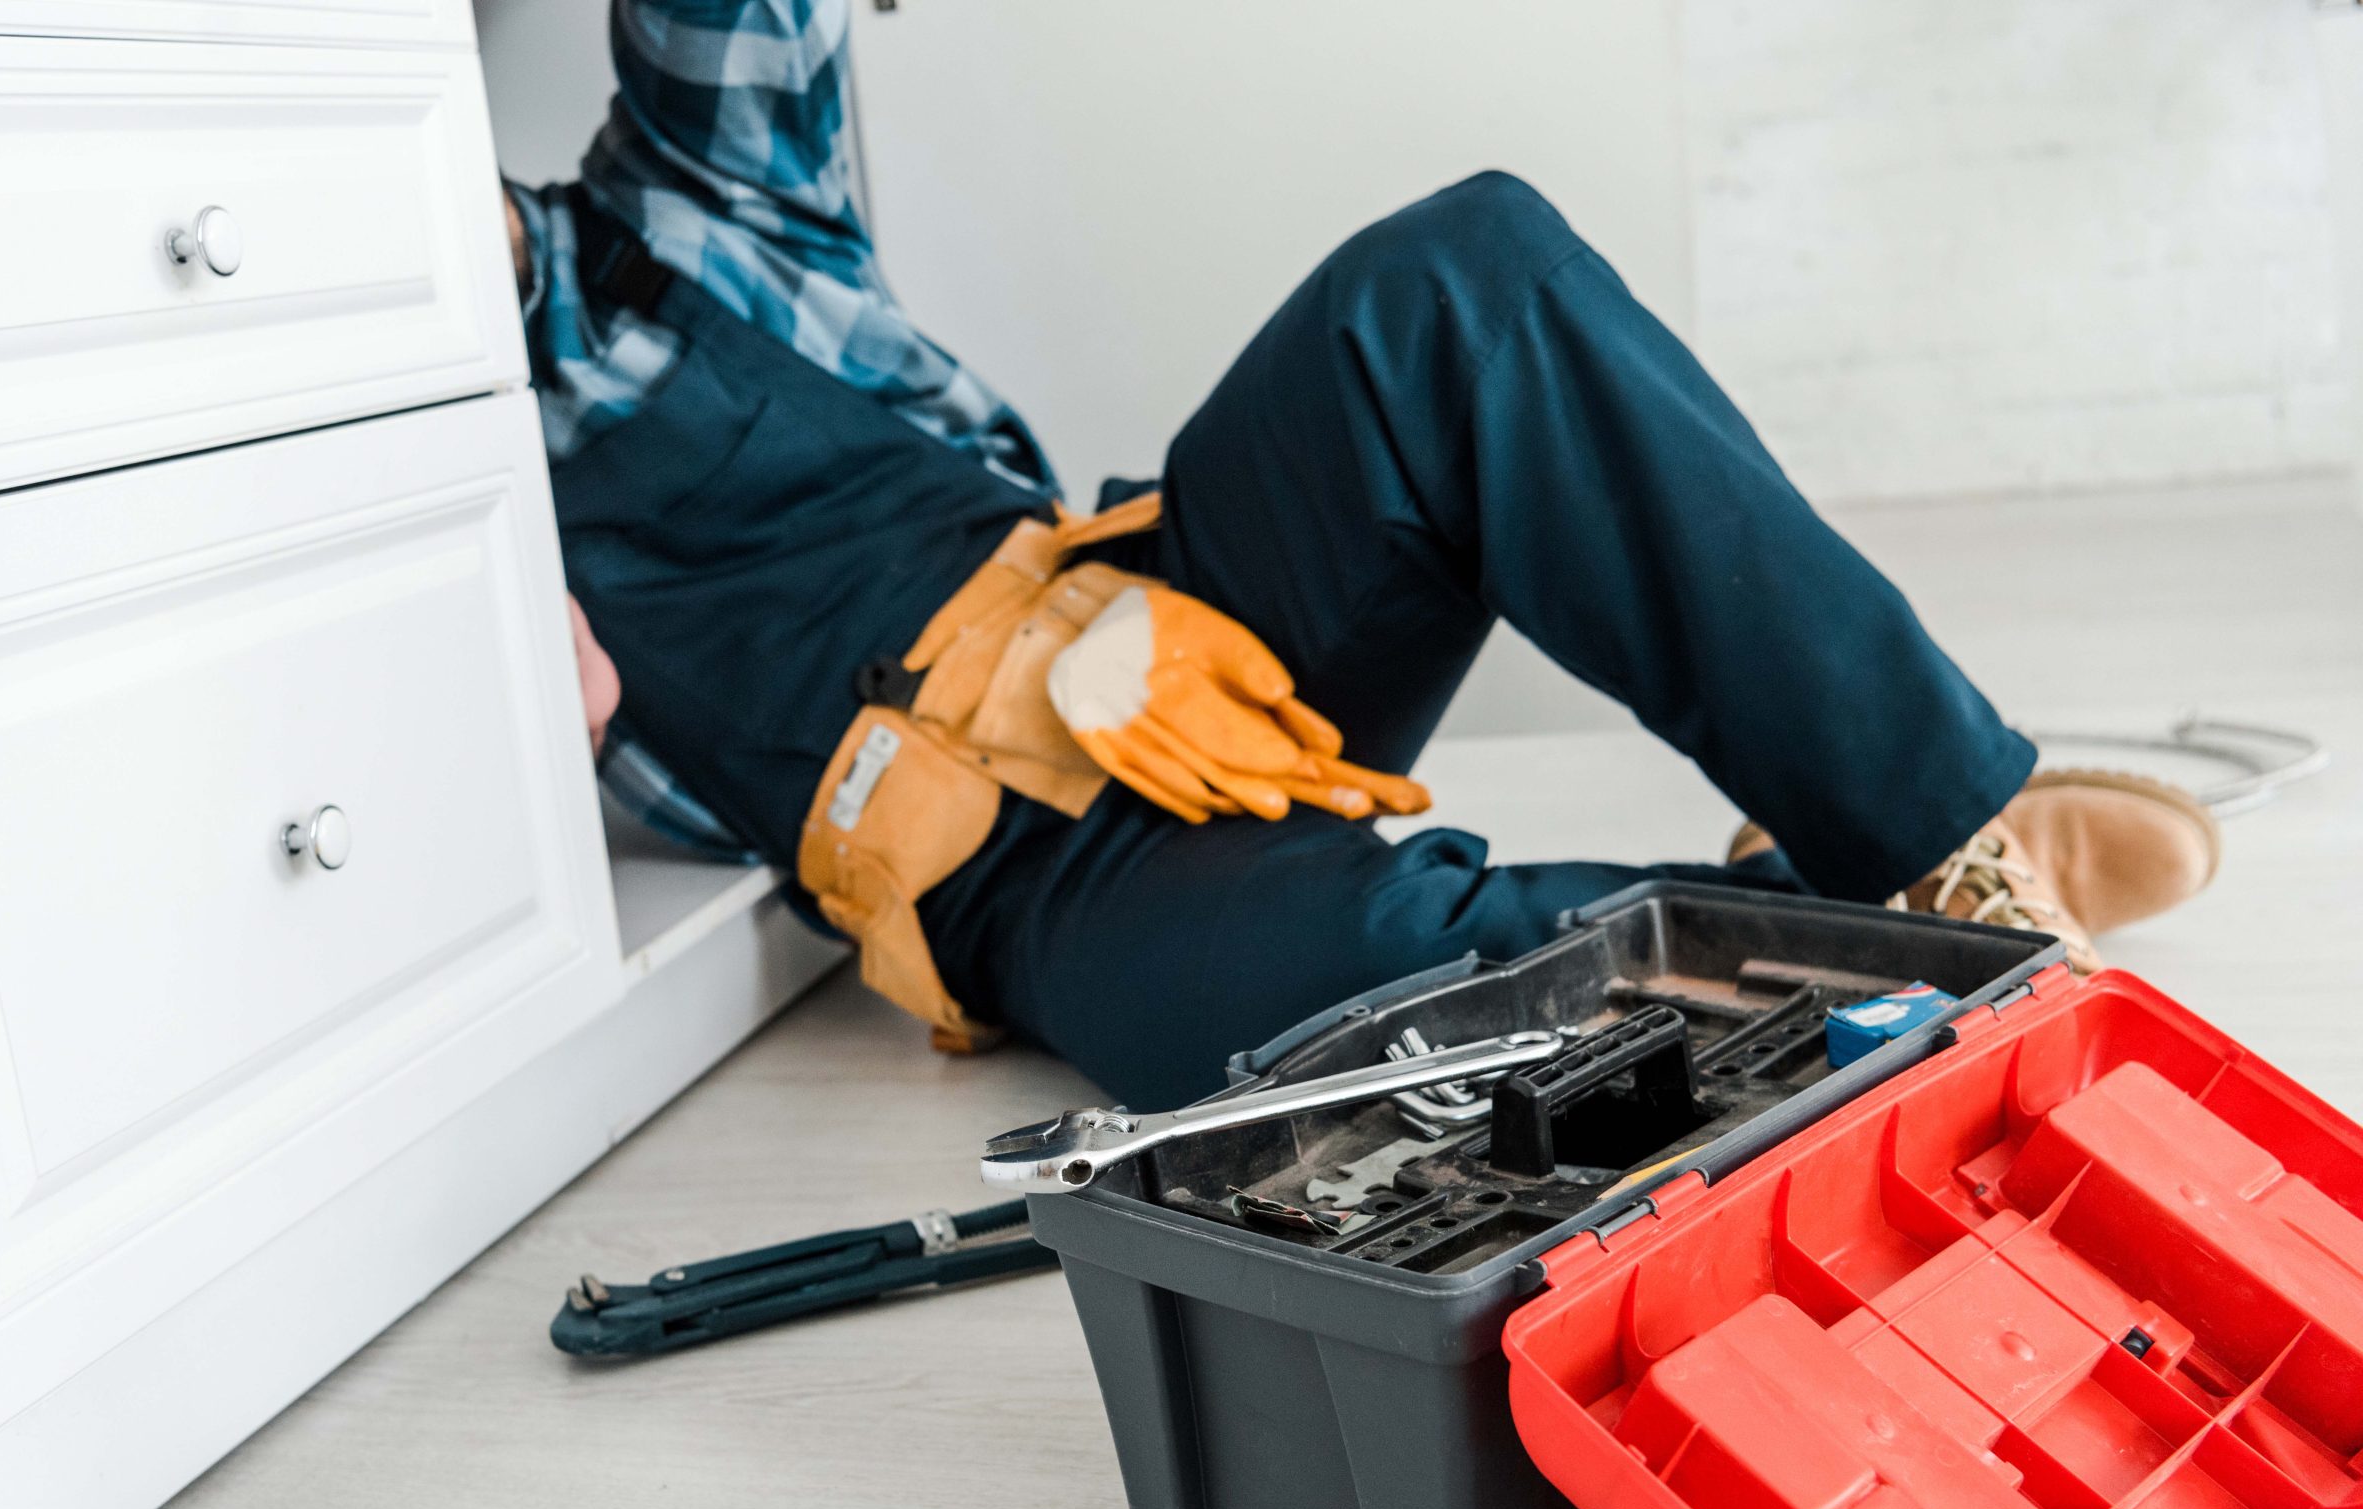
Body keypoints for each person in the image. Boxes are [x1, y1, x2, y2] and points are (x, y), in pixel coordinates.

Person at [507, 0, 2220, 1112]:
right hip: (1031, 882)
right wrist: (511, 698)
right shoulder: (420, 508)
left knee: (1457, 279)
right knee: (1322, 1017)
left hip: (1175, 620)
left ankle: (1933, 832)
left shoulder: (681, 211)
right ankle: (1904, 944)